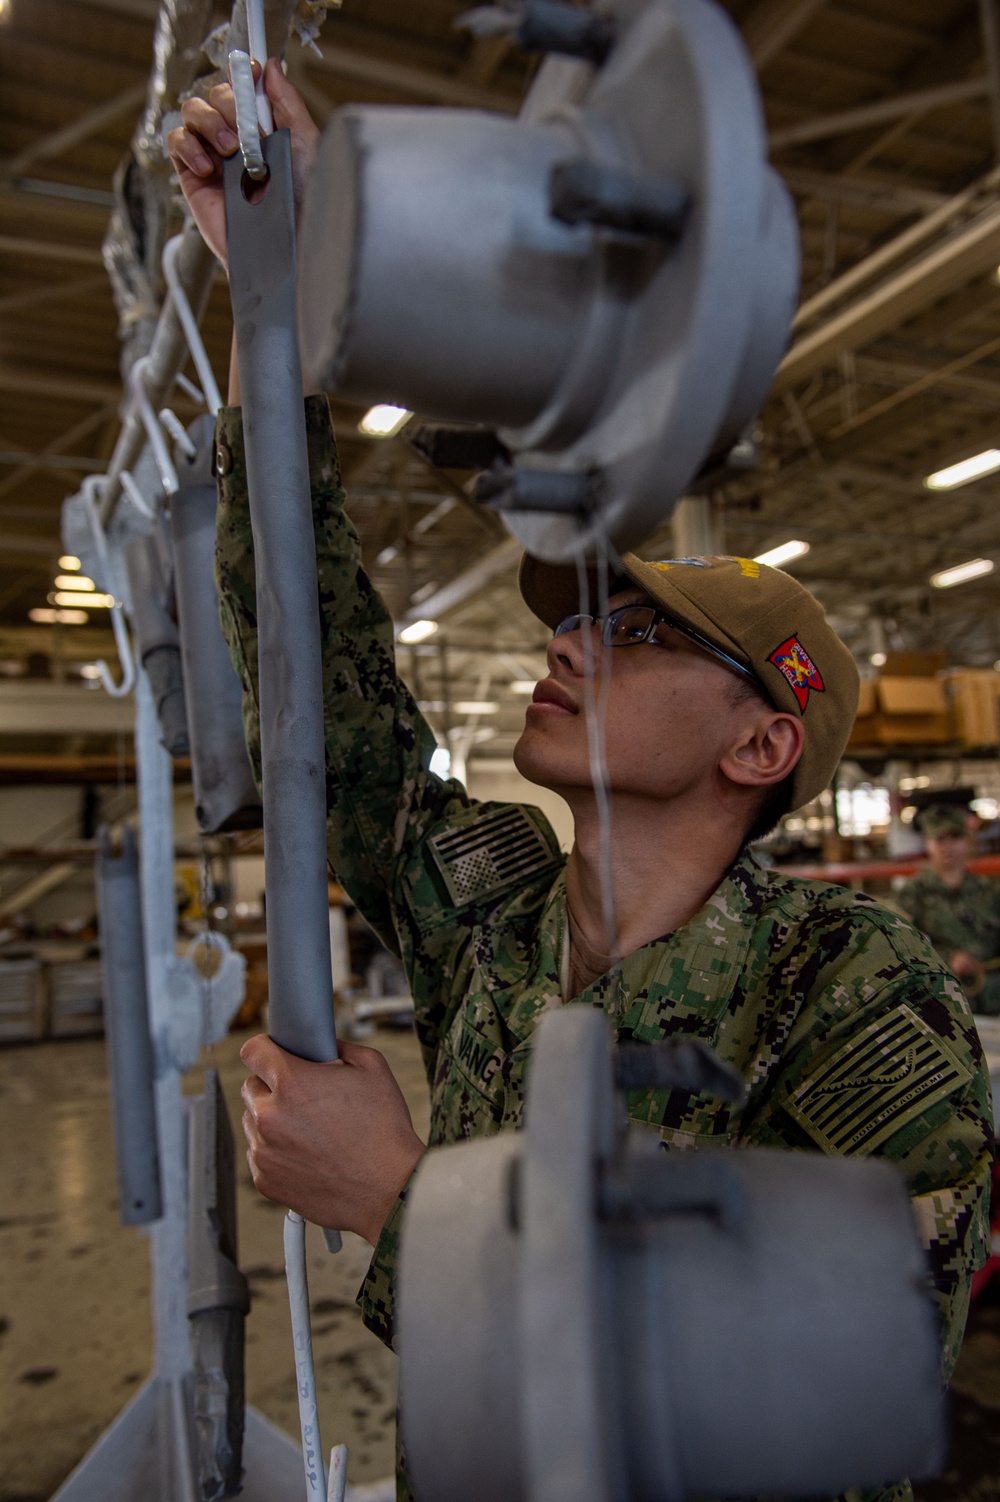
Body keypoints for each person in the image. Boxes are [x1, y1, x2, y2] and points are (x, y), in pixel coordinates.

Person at [169, 66, 993, 1502]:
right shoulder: (490, 907)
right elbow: (314, 680)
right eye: (581, 614)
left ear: (760, 745)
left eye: (637, 631)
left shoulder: (852, 991)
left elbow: (835, 1382)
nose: (568, 635)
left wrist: (403, 1201)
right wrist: (281, 300)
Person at [899, 804, 1000, 1016]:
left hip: (993, 1000)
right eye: (939, 839)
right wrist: (947, 957)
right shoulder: (911, 895)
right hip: (943, 1007)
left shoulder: (991, 891)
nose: (948, 846)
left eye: (955, 837)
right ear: (927, 844)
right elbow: (901, 946)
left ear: (967, 841)